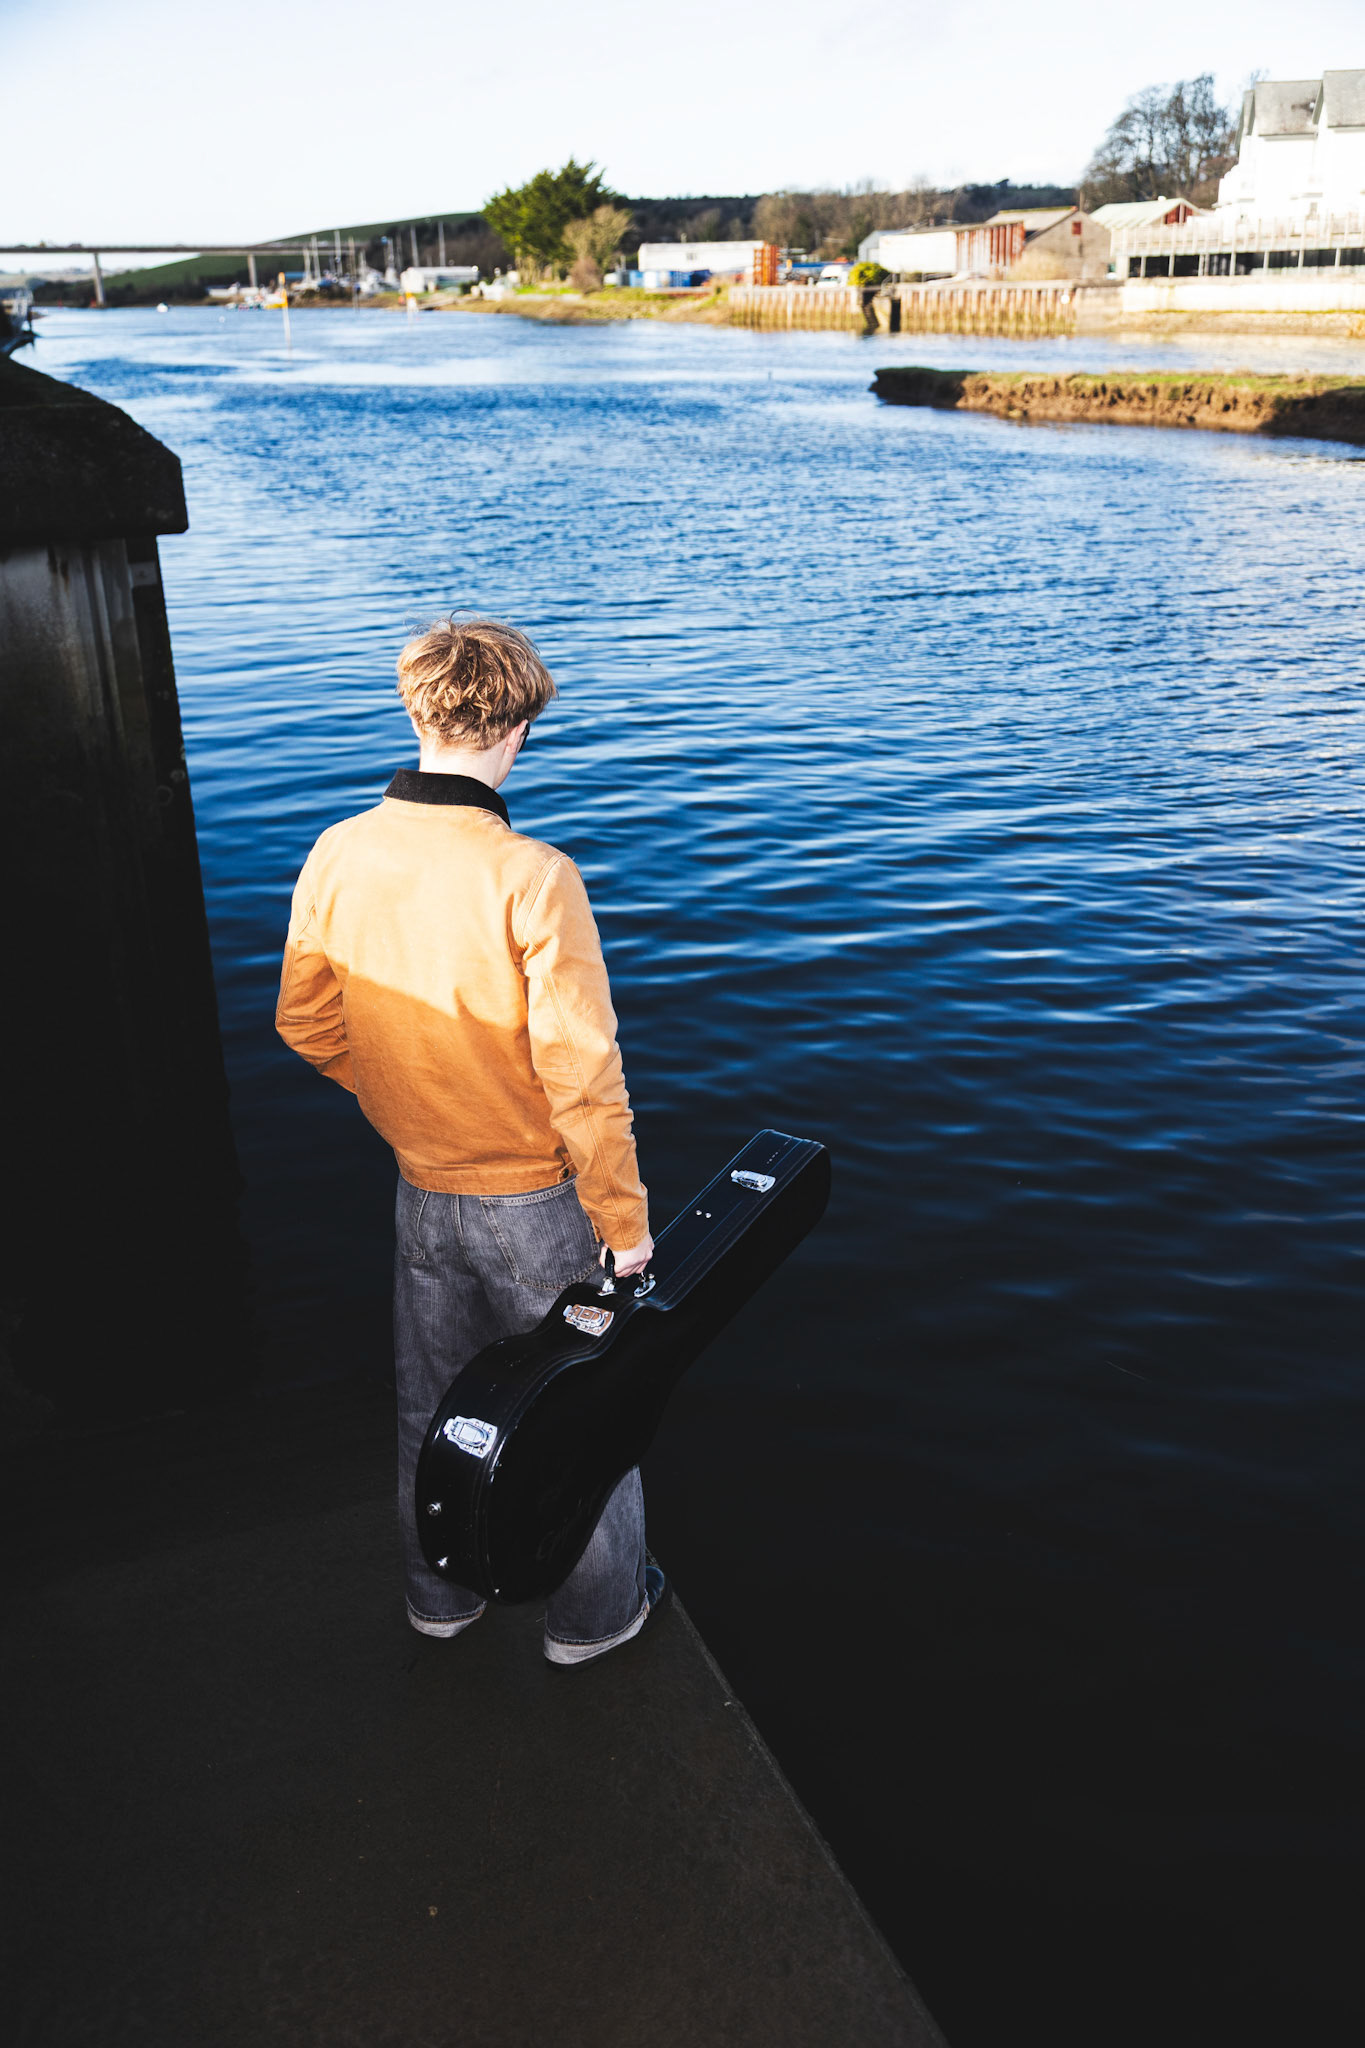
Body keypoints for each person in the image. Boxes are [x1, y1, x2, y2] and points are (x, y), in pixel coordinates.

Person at [276, 616, 663, 1664]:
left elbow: (305, 1022)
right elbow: (583, 1072)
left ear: (417, 713)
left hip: (419, 1186)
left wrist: (410, 1098)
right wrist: (624, 1224)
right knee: (585, 1412)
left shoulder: (339, 849)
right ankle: (594, 1618)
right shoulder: (533, 874)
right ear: (519, 727)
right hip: (534, 1200)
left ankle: (438, 1599)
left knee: (433, 1408)